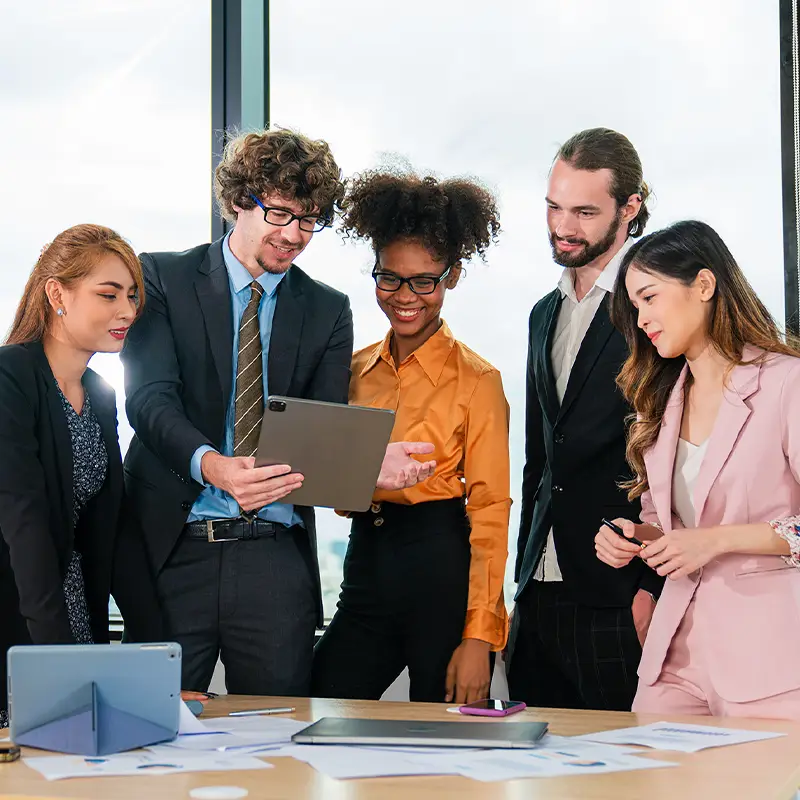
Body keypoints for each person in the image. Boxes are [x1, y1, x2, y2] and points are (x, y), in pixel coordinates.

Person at [121, 129, 435, 697]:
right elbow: (148, 399)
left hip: (274, 559)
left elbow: (318, 430)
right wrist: (213, 466)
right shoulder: (161, 278)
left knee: (279, 738)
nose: (294, 235)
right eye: (281, 213)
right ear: (239, 200)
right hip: (172, 548)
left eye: (310, 220)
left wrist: (363, 461)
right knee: (148, 729)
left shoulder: (328, 310)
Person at [311, 168, 511, 704]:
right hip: (365, 573)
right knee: (318, 705)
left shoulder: (479, 381)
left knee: (442, 753)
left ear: (453, 276)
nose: (406, 296)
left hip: (440, 577)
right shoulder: (350, 372)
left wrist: (478, 638)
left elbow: (491, 508)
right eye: (390, 278)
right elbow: (329, 483)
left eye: (425, 281)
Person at [596, 220, 800, 720]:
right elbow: (674, 530)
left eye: (650, 297)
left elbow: (710, 537)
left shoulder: (786, 384)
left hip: (770, 659)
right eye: (634, 305)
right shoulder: (660, 401)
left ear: (704, 285)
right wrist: (634, 536)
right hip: (675, 657)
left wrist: (717, 540)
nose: (641, 318)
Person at [508, 128, 664, 712]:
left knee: (632, 778)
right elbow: (539, 459)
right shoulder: (541, 314)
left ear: (629, 209)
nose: (563, 226)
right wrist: (520, 581)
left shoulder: (653, 308)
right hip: (539, 592)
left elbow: (676, 461)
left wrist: (653, 586)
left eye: (583, 211)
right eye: (553, 206)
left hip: (619, 591)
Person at [0, 224, 166, 728]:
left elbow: (114, 529)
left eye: (132, 296)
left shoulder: (99, 392)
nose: (128, 312)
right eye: (108, 294)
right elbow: (23, 521)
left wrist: (160, 661)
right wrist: (59, 665)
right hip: (21, 610)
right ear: (57, 294)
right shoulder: (10, 376)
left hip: (73, 609)